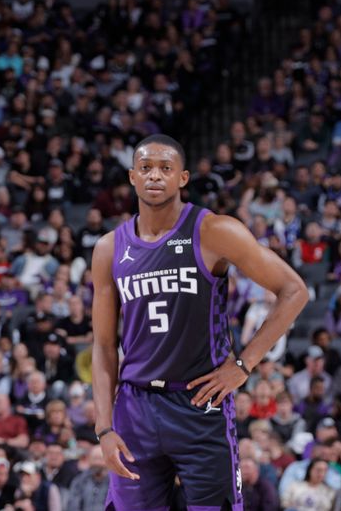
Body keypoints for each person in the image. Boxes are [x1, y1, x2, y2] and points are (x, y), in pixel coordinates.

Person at [92, 134, 308, 510]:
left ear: (183, 178)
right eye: (145, 168)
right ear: (132, 177)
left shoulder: (213, 230)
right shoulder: (109, 248)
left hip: (198, 402)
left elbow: (293, 290)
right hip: (134, 408)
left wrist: (244, 365)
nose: (155, 176)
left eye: (165, 168)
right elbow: (103, 345)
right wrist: (104, 427)